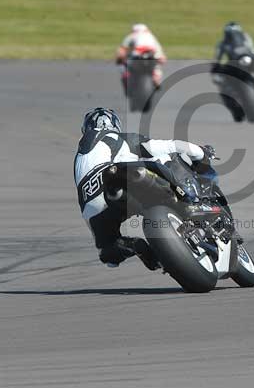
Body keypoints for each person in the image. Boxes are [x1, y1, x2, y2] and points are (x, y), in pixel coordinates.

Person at [74, 107, 209, 269]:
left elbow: (111, 262)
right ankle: (190, 201)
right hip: (117, 179)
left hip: (91, 209)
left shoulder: (80, 156)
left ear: (86, 128)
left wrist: (102, 239)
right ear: (115, 125)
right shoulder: (119, 138)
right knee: (167, 156)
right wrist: (200, 152)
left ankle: (137, 247)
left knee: (108, 253)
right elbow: (167, 145)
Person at [116, 23, 167, 90]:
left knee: (125, 69)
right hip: (151, 56)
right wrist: (160, 60)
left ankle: (127, 81)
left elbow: (121, 52)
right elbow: (162, 58)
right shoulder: (151, 37)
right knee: (156, 67)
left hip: (136, 56)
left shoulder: (131, 36)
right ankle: (156, 77)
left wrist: (119, 60)